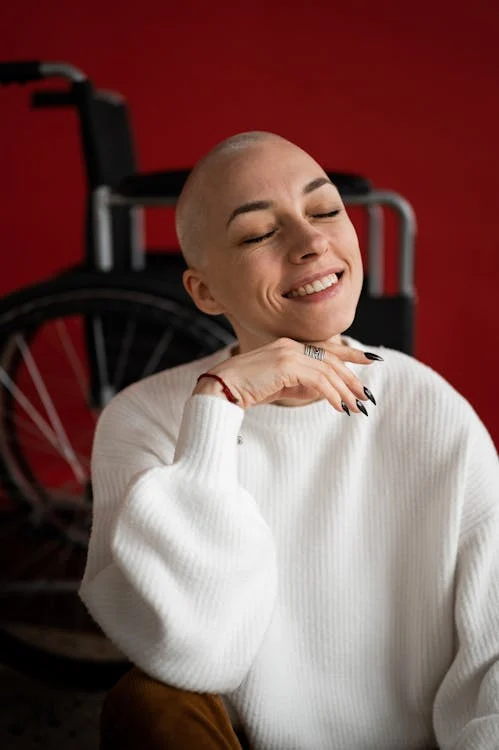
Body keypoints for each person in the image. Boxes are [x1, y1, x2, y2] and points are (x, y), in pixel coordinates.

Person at [79, 131, 499, 750]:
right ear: (204, 292)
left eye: (326, 210)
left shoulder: (426, 404)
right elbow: (198, 656)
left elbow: (493, 651)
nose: (312, 243)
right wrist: (217, 411)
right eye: (257, 234)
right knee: (148, 705)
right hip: (243, 737)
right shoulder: (144, 419)